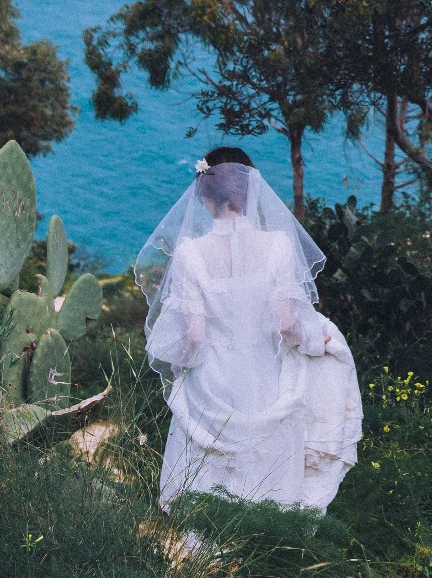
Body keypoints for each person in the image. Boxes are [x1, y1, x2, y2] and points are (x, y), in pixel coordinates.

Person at [135, 146, 362, 511]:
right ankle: (267, 547)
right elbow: (287, 324)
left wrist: (177, 362)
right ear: (251, 191)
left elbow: (193, 336)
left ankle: (203, 557)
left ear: (204, 196)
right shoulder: (279, 247)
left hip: (212, 384)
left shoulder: (190, 254)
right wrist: (315, 343)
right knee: (268, 473)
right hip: (266, 379)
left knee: (207, 481)